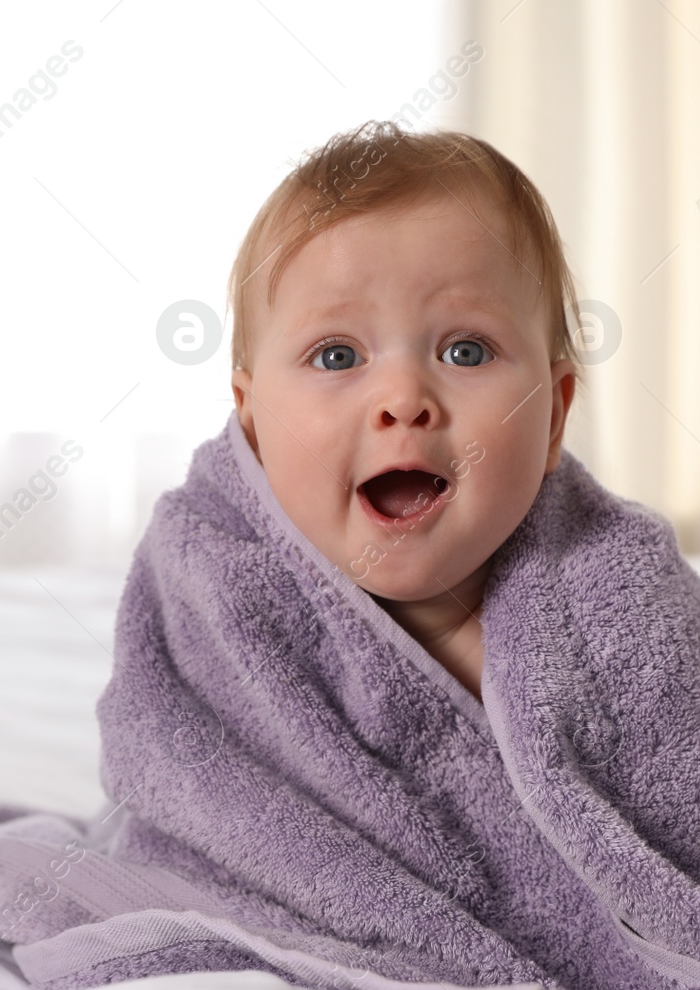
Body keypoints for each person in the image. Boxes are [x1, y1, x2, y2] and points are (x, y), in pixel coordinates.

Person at [226, 120, 580, 698]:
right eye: (337, 355)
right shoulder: (219, 604)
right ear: (255, 427)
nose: (403, 401)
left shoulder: (608, 615)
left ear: (552, 421)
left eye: (465, 352)